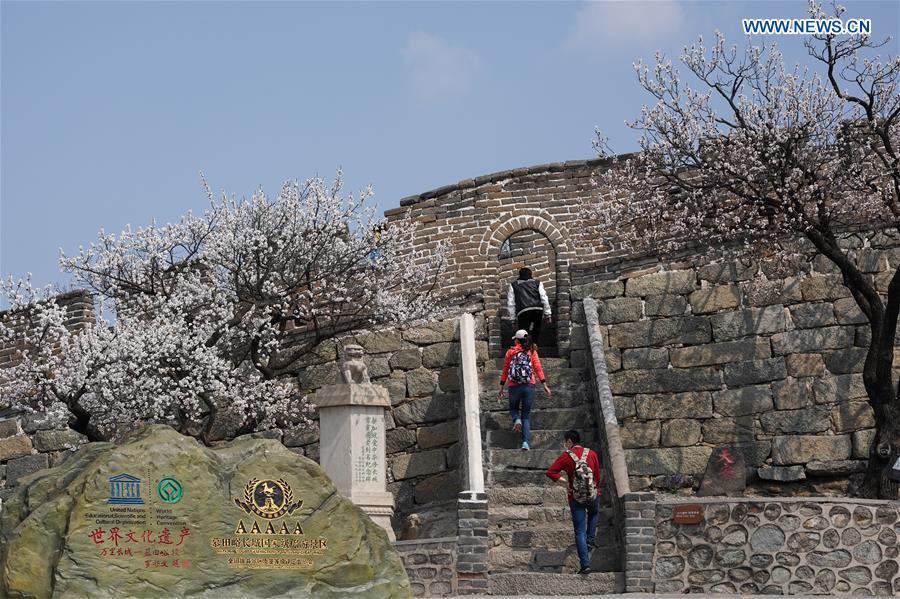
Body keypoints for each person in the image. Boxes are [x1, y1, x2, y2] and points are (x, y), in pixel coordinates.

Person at [545, 430, 602, 574]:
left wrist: (566, 482)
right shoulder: (592, 454)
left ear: (570, 441)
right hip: (593, 493)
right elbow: (597, 476)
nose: (565, 444)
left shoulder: (566, 456)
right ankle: (590, 539)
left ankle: (585, 564)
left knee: (579, 531)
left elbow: (550, 472)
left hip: (575, 497)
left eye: (566, 442)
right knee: (594, 513)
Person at [498, 330, 550, 451]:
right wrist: (544, 385)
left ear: (516, 340)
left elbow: (505, 369)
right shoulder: (532, 351)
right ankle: (525, 443)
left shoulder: (510, 352)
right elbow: (538, 368)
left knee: (513, 409)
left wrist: (501, 385)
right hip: (529, 385)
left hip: (514, 385)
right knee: (526, 416)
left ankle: (516, 420)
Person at [507, 267, 551, 341]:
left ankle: (525, 348)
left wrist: (513, 320)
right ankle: (534, 345)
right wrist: (548, 314)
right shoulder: (538, 283)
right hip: (537, 310)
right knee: (537, 329)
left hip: (523, 311)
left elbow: (511, 303)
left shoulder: (514, 285)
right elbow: (544, 298)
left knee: (523, 333)